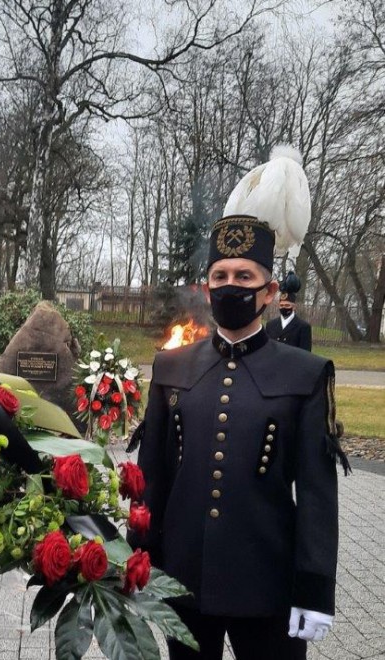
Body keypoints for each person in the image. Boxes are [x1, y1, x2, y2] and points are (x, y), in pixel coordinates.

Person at [131, 147, 349, 660]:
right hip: (182, 579)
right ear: (206, 287)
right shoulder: (172, 367)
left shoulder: (305, 373)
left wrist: (315, 586)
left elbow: (317, 496)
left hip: (268, 583)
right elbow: (151, 478)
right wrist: (139, 559)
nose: (231, 286)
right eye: (221, 276)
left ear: (270, 290)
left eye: (244, 278)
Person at [266, 271, 312, 350]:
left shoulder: (303, 327)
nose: (284, 307)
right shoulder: (270, 325)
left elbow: (305, 354)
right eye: (281, 305)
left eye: (287, 305)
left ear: (294, 307)